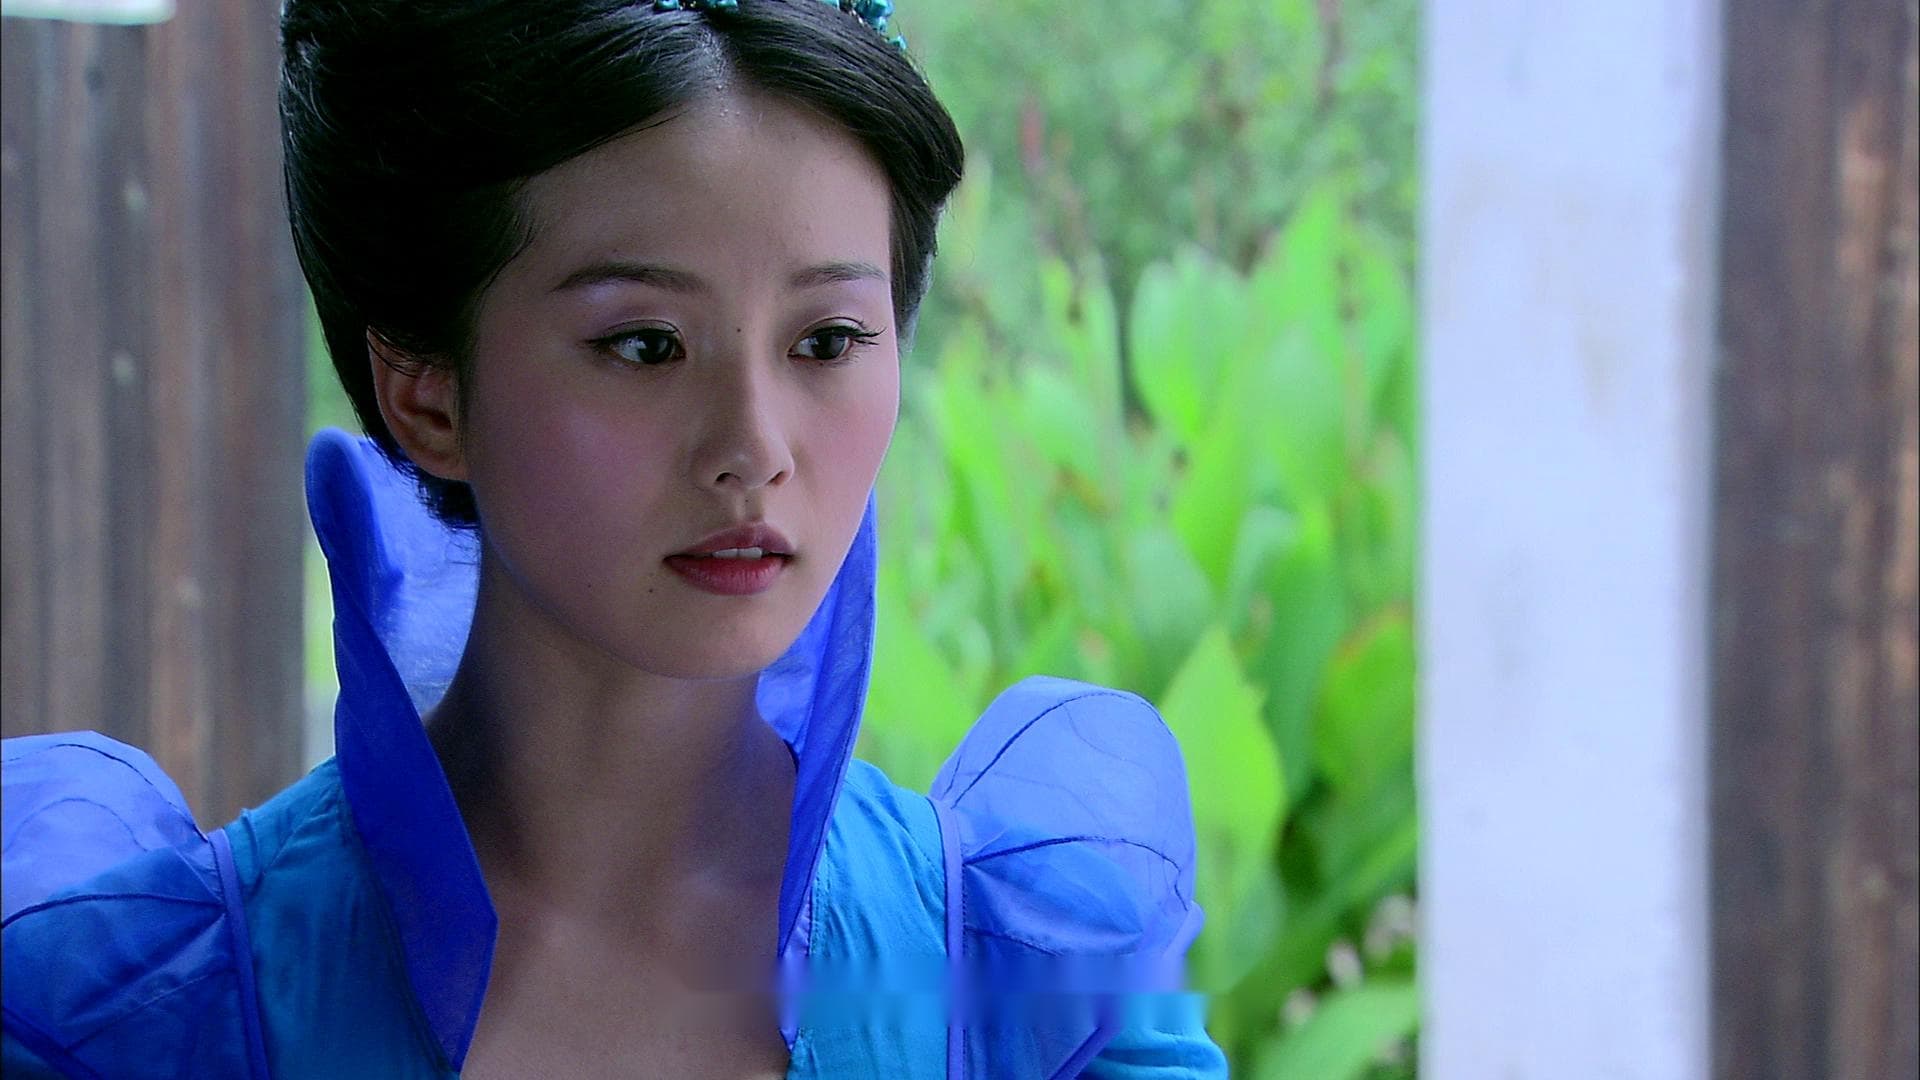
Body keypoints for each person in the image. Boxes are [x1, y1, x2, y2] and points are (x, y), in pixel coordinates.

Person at [1, 1, 1227, 1076]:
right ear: (427, 395)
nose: (753, 447)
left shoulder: (1027, 985)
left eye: (827, 341)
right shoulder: (153, 1017)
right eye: (645, 344)